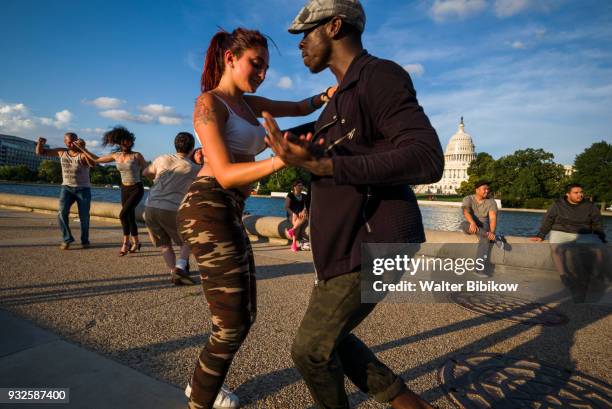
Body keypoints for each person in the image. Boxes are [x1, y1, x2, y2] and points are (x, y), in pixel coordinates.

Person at [262, 1, 443, 407]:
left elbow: (427, 157)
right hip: (343, 247)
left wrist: (324, 165)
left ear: (335, 27)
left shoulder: (379, 75)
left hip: (376, 242)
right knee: (334, 341)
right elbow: (333, 147)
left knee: (310, 349)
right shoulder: (339, 99)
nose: (301, 44)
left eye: (306, 33)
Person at [176, 27, 335, 409]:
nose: (262, 73)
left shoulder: (250, 104)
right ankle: (201, 398)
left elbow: (299, 108)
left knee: (243, 317)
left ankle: (201, 386)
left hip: (229, 209)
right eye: (256, 64)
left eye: (265, 66)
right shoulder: (209, 104)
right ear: (230, 59)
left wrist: (327, 95)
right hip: (207, 207)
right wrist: (283, 158)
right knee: (230, 323)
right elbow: (227, 172)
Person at [142, 133, 201, 285]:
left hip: (150, 207)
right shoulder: (193, 168)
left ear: (175, 145)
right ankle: (181, 266)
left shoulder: (162, 158)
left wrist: (159, 182)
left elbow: (145, 172)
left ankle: (173, 272)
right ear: (192, 148)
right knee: (189, 238)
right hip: (170, 208)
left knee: (164, 244)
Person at [88, 126, 147, 256]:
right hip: (124, 189)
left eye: (129, 141)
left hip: (136, 188)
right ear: (119, 142)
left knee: (122, 215)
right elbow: (97, 160)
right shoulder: (116, 156)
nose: (127, 143)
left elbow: (148, 170)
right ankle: (136, 243)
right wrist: (83, 149)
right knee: (130, 217)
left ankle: (126, 243)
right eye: (124, 141)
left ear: (131, 142)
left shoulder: (137, 156)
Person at [35, 133, 96, 250]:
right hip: (66, 188)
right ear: (65, 142)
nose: (72, 144)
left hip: (83, 189)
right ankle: (67, 238)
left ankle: (85, 240)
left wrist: (84, 148)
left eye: (74, 141)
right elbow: (40, 153)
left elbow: (93, 163)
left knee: (84, 217)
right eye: (69, 142)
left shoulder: (82, 154)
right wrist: (40, 144)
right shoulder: (61, 152)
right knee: (61, 213)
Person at [531, 183, 607, 244]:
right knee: (556, 249)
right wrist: (541, 235)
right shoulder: (557, 204)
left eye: (581, 192)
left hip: (584, 234)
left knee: (598, 249)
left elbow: (598, 223)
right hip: (561, 232)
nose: (580, 195)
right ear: (568, 194)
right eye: (576, 193)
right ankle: (560, 264)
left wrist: (601, 237)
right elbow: (548, 220)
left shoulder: (590, 205)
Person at [285, 179, 310, 251]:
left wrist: (303, 210)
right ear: (294, 187)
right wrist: (293, 214)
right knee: (297, 223)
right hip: (291, 214)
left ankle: (293, 238)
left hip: (302, 215)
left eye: (302, 185)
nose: (301, 187)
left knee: (304, 215)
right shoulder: (290, 195)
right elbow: (286, 207)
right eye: (299, 185)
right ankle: (294, 243)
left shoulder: (304, 196)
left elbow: (307, 206)